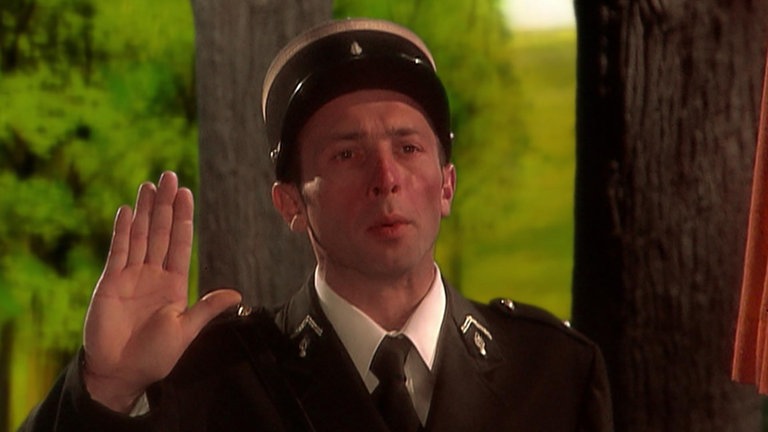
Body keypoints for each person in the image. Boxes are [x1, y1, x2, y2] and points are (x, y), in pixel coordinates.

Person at [20, 18, 613, 431]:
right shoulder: (212, 379)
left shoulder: (553, 371)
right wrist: (107, 388)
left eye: (408, 147)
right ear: (290, 204)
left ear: (447, 186)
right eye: (347, 154)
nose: (386, 178)